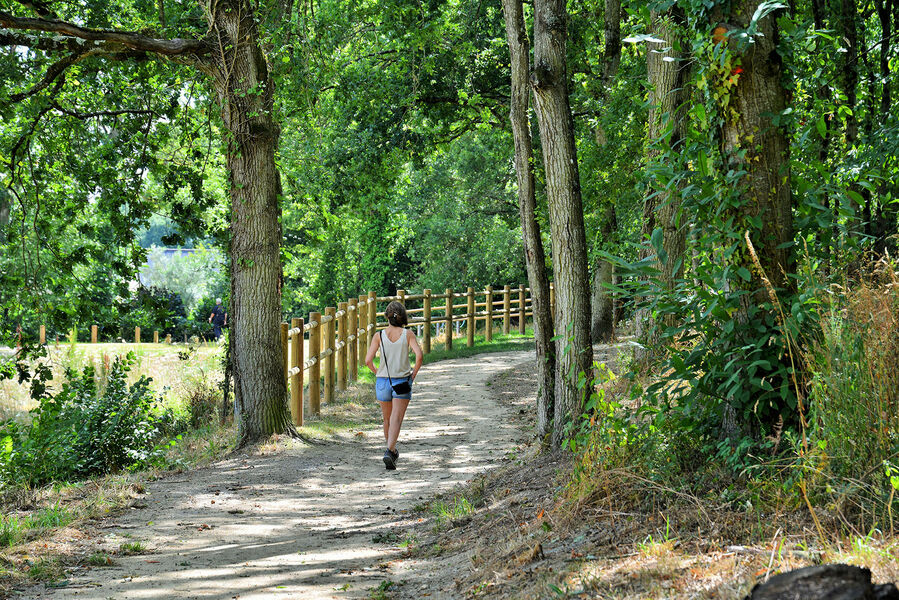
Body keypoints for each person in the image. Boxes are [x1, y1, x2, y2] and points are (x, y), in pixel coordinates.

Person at [365, 301, 423, 470]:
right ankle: (390, 451)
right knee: (396, 418)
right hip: (402, 381)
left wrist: (378, 373)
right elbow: (419, 356)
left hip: (383, 381)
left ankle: (390, 451)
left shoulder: (379, 335)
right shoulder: (408, 334)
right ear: (403, 317)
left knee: (387, 419)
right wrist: (412, 375)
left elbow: (368, 360)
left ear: (388, 317)